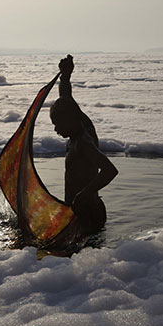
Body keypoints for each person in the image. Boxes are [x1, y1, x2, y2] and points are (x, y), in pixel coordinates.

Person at [50, 55, 118, 235]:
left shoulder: (84, 143)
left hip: (89, 212)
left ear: (70, 120)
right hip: (76, 210)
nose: (56, 130)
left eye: (58, 124)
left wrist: (85, 193)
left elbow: (110, 170)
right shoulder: (80, 127)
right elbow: (66, 97)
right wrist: (65, 77)